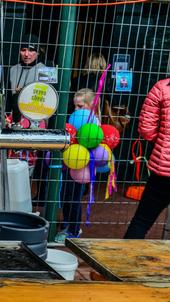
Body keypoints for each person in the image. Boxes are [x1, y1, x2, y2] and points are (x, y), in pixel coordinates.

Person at [124, 78, 170, 239]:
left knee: (141, 221)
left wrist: (164, 140)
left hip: (164, 170)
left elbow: (146, 130)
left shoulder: (162, 87)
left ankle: (125, 262)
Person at [55, 88, 96, 242]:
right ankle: (67, 222)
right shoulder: (74, 118)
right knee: (65, 194)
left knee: (74, 197)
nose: (76, 110)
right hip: (70, 161)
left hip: (82, 166)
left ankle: (74, 229)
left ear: (91, 105)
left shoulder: (93, 122)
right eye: (75, 106)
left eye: (81, 106)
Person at [7, 34, 47, 122]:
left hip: (36, 119)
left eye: (31, 50)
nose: (26, 54)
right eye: (23, 50)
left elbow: (47, 98)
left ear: (38, 52)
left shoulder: (45, 70)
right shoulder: (13, 69)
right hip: (13, 119)